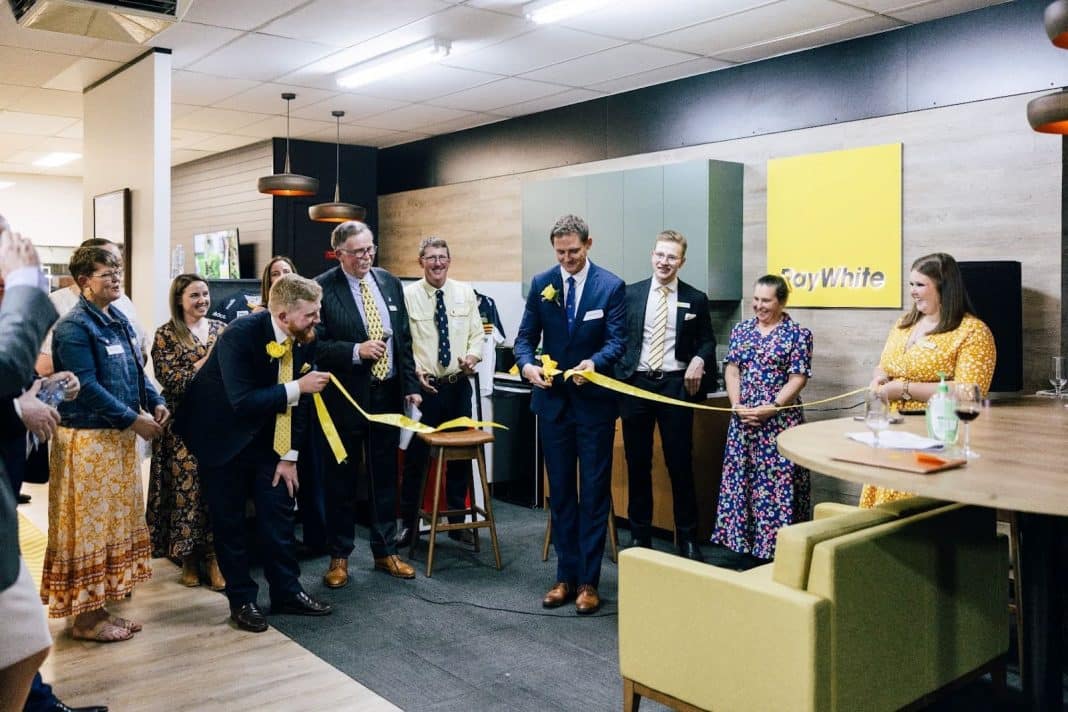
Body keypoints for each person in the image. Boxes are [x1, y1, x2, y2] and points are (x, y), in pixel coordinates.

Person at [174, 274, 333, 633]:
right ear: (282, 316)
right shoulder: (238, 336)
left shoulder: (306, 337)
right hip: (220, 438)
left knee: (277, 514)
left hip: (268, 439)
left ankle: (287, 592)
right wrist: (297, 386)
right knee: (229, 523)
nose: (318, 320)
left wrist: (289, 455)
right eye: (311, 314)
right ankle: (241, 599)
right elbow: (242, 402)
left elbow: (303, 404)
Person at [42, 245, 167, 642]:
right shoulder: (74, 326)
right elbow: (87, 387)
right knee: (89, 532)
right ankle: (85, 620)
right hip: (87, 444)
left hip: (115, 443)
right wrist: (134, 419)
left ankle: (100, 610)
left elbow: (137, 367)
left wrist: (156, 400)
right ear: (83, 282)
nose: (116, 279)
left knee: (112, 528)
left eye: (118, 271)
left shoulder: (117, 319)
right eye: (106, 273)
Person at [514, 214, 626, 615]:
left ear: (589, 244)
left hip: (594, 406)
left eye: (573, 252)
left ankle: (589, 583)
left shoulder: (610, 286)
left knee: (594, 495)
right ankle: (564, 576)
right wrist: (527, 366)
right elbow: (524, 338)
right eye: (560, 253)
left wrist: (593, 363)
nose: (567, 259)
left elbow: (617, 342)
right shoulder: (542, 283)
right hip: (553, 405)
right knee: (560, 494)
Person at [314, 220, 421, 587]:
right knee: (341, 479)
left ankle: (385, 551)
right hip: (344, 399)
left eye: (369, 248)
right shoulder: (322, 288)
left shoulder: (389, 281)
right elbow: (314, 346)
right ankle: (339, 557)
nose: (366, 256)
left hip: (388, 394)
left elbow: (403, 339)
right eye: (357, 251)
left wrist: (410, 385)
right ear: (339, 253)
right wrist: (355, 351)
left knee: (385, 476)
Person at [860, 252, 996, 507]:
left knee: (910, 518)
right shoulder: (904, 324)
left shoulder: (973, 331)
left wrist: (905, 389)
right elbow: (884, 365)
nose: (912, 291)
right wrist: (879, 378)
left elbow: (970, 392)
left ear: (944, 287)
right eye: (911, 284)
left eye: (920, 285)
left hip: (935, 437)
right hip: (891, 433)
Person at [615, 230, 717, 561]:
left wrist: (700, 359)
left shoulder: (695, 298)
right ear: (652, 255)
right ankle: (640, 535)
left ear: (682, 262)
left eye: (672, 257)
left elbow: (707, 341)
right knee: (638, 463)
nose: (664, 262)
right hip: (637, 386)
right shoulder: (630, 294)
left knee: (679, 463)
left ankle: (687, 538)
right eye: (660, 255)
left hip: (675, 387)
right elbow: (618, 339)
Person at [711, 274, 813, 562]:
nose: (758, 306)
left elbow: (798, 378)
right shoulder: (741, 330)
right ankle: (745, 549)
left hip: (778, 422)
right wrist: (737, 405)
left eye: (765, 301)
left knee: (777, 486)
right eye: (755, 299)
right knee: (743, 482)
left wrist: (773, 406)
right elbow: (732, 370)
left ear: (781, 302)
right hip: (743, 421)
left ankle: (779, 552)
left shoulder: (797, 335)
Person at [396, 237, 484, 548]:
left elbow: (477, 334)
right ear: (421, 262)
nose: (437, 263)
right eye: (431, 257)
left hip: (456, 386)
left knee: (459, 460)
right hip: (424, 391)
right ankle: (408, 523)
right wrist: (415, 373)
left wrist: (473, 356)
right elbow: (403, 344)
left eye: (442, 257)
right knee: (417, 460)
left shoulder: (465, 292)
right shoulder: (407, 296)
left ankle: (457, 521)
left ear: (449, 260)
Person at [146, 274, 226, 590]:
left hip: (218, 422)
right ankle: (189, 557)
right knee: (186, 493)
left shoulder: (222, 329)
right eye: (194, 295)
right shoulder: (165, 335)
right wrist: (207, 360)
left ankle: (214, 557)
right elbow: (173, 380)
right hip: (181, 425)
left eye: (205, 294)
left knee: (215, 490)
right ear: (179, 300)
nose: (202, 300)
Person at [35, 238, 145, 377]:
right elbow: (44, 365)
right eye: (106, 269)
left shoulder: (123, 303)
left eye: (117, 267)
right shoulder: (56, 304)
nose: (115, 275)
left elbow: (140, 352)